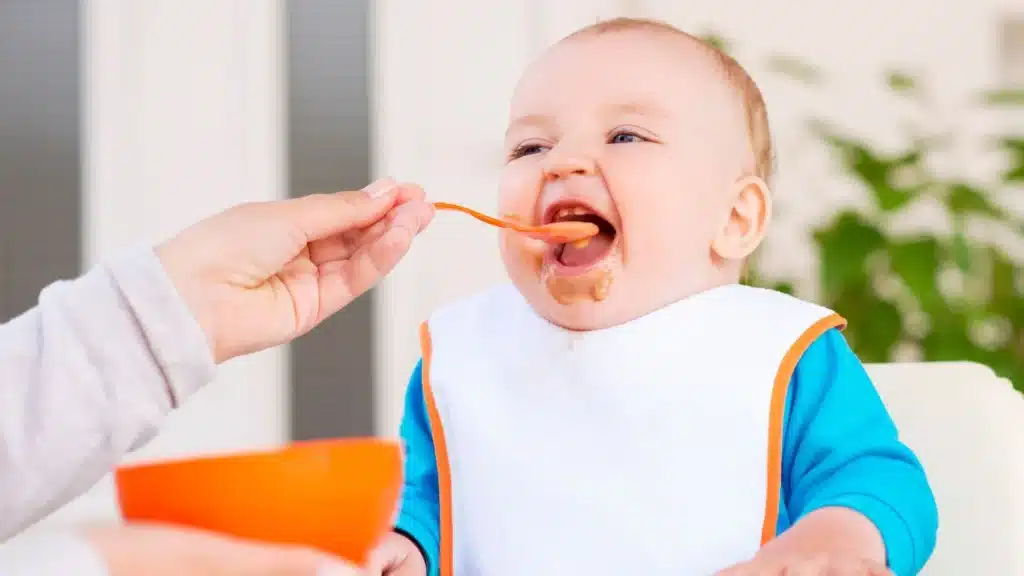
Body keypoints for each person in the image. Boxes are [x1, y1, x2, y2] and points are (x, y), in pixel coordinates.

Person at [366, 18, 939, 576]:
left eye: (625, 136)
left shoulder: (777, 353)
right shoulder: (466, 354)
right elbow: (432, 498)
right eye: (530, 147)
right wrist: (408, 544)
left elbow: (875, 479)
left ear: (735, 217)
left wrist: (833, 541)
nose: (562, 161)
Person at [0, 178, 435, 575]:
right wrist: (416, 540)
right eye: (507, 154)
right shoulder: (451, 361)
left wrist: (172, 310)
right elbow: (433, 490)